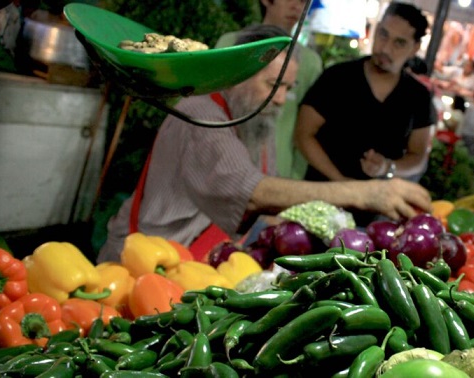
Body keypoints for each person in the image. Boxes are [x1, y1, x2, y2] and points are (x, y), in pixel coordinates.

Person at [97, 25, 431, 263]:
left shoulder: (255, 118)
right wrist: (364, 193)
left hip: (194, 260)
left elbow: (264, 200)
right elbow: (253, 192)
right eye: (273, 84)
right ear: (239, 74)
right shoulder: (200, 113)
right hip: (143, 262)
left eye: (288, 88)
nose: (281, 99)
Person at [294, 2, 437, 224]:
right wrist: (343, 184)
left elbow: (418, 156)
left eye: (399, 43)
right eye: (383, 35)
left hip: (377, 216)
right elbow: (304, 134)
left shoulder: (418, 96)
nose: (385, 48)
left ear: (415, 48)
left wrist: (388, 167)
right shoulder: (337, 78)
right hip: (318, 202)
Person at [214, 0, 323, 180]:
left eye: (303, 1)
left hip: (278, 173)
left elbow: (305, 128)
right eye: (273, 84)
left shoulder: (310, 63)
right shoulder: (231, 43)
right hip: (224, 165)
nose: (297, 6)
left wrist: (293, 182)